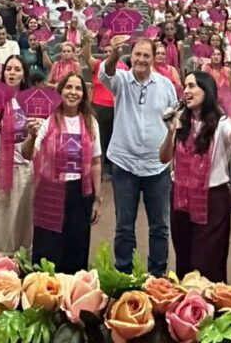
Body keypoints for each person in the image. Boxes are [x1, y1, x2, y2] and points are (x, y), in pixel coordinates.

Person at [99, 35, 179, 274]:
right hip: (125, 164)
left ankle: (158, 275)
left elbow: (173, 121)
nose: (142, 59)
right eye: (137, 54)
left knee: (160, 227)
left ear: (154, 59)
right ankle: (124, 274)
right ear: (130, 56)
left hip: (157, 166)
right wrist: (114, 53)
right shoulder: (121, 80)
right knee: (124, 226)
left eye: (146, 55)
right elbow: (106, 72)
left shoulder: (166, 85)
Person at [161, 71, 231, 283]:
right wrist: (170, 132)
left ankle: (208, 302)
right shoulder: (180, 120)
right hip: (181, 197)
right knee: (184, 259)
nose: (186, 91)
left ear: (206, 90)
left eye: (192, 86)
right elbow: (163, 158)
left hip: (212, 199)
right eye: (185, 86)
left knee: (208, 261)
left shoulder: (222, 122)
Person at [24, 72, 102, 273]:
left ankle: (73, 290)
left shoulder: (91, 122)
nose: (73, 92)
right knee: (48, 247)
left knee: (76, 247)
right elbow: (28, 154)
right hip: (50, 191)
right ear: (59, 91)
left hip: (80, 192)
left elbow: (95, 162)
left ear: (84, 94)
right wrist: (31, 137)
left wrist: (96, 200)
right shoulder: (47, 119)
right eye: (68, 87)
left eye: (78, 88)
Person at [0, 55, 37, 253]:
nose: (12, 73)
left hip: (23, 169)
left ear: (24, 75)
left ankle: (19, 263)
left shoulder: (31, 101)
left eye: (17, 69)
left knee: (20, 220)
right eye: (9, 69)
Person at [81, 31, 123, 180]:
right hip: (99, 107)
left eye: (110, 51)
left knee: (114, 138)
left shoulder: (124, 68)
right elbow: (87, 57)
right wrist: (87, 42)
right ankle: (101, 170)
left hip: (117, 108)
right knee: (101, 138)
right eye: (106, 52)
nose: (108, 54)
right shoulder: (99, 65)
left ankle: (114, 169)